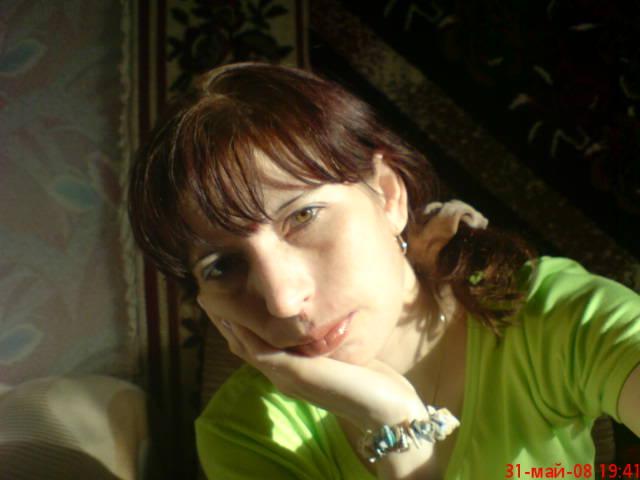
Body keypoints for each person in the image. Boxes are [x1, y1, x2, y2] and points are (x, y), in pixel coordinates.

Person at [128, 62, 640, 479]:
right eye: (222, 266)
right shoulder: (246, 435)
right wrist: (395, 424)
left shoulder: (546, 313)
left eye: (303, 216)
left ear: (389, 195)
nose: (282, 300)